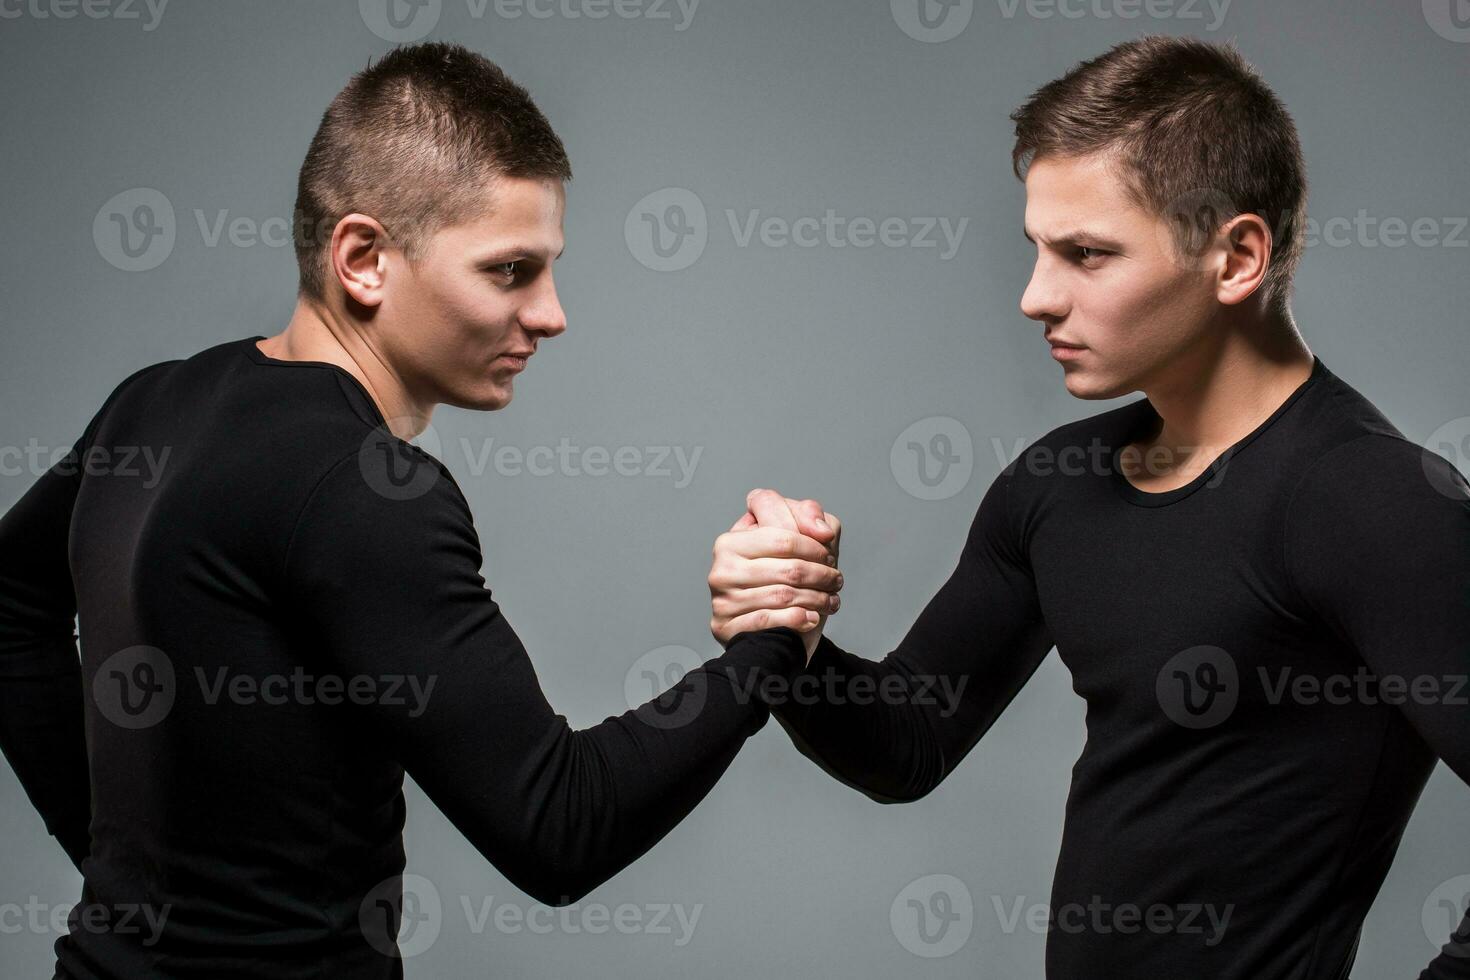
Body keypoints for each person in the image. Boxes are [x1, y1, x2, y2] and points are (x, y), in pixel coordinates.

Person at [0, 42, 841, 977]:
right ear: (363, 258)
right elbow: (563, 828)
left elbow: (6, 603)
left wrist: (121, 880)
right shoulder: (360, 487)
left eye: (549, 268)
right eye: (510, 270)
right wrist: (769, 643)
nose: (553, 313)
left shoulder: (154, 402)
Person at [709, 35, 1470, 979]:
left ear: (1236, 257)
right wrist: (785, 633)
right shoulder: (1056, 486)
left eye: (1086, 255)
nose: (1034, 297)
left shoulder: (1376, 503)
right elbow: (907, 741)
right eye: (1037, 250)